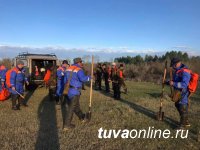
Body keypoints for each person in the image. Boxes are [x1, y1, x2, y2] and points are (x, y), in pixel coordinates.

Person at [63, 57, 91, 131]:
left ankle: (82, 117)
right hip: (75, 91)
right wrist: (89, 77)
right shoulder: (79, 70)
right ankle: (67, 125)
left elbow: (65, 80)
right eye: (81, 62)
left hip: (68, 90)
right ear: (78, 62)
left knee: (76, 106)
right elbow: (83, 79)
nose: (82, 63)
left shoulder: (68, 69)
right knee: (71, 108)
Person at [168, 58, 191, 129]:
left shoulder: (185, 71)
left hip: (183, 93)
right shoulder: (178, 71)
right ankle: (185, 121)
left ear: (178, 63)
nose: (173, 67)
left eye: (173, 65)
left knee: (182, 107)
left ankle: (182, 126)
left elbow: (184, 84)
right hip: (177, 93)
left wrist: (173, 83)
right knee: (177, 104)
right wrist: (168, 82)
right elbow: (175, 81)